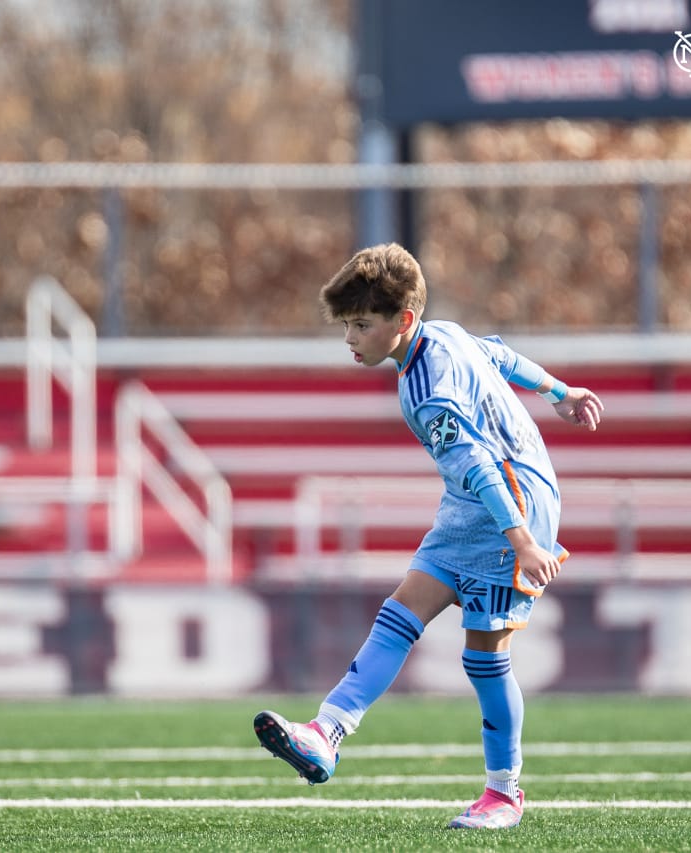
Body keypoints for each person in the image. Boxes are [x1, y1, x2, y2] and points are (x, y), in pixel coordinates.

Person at [253, 243, 604, 829]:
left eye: (362, 324)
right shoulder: (446, 334)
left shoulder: (427, 392)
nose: (351, 337)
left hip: (510, 504)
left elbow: (477, 465)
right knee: (401, 611)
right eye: (347, 325)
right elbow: (500, 355)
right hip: (474, 502)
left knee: (484, 657)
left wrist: (521, 543)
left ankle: (504, 794)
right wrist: (560, 392)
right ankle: (326, 732)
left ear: (403, 321)